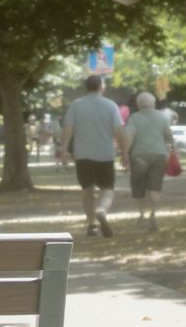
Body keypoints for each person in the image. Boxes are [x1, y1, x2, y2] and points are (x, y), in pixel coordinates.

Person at [59, 75, 126, 238]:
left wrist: (64, 150)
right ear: (101, 87)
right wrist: (124, 152)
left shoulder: (76, 105)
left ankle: (91, 224)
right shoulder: (110, 105)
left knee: (87, 189)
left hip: (82, 154)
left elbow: (68, 128)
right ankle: (102, 209)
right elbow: (118, 130)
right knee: (108, 188)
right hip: (105, 153)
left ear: (86, 87)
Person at [124, 91, 176, 231]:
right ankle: (153, 213)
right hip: (159, 155)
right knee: (155, 185)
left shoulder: (134, 118)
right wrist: (171, 151)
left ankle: (142, 214)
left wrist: (124, 154)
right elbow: (169, 136)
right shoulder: (162, 117)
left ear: (138, 104)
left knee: (138, 185)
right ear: (153, 103)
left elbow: (129, 136)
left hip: (139, 156)